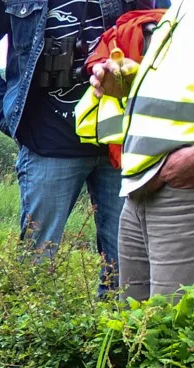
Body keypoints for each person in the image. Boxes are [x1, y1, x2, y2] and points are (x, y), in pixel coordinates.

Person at [0, 1, 165, 292]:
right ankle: (34, 338)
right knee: (35, 271)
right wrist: (8, 117)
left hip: (118, 143)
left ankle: (117, 337)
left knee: (126, 273)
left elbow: (168, 39)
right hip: (47, 144)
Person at [87, 0, 194, 300]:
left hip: (181, 191)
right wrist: (128, 83)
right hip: (139, 185)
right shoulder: (182, 8)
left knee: (172, 331)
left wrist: (187, 164)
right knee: (136, 330)